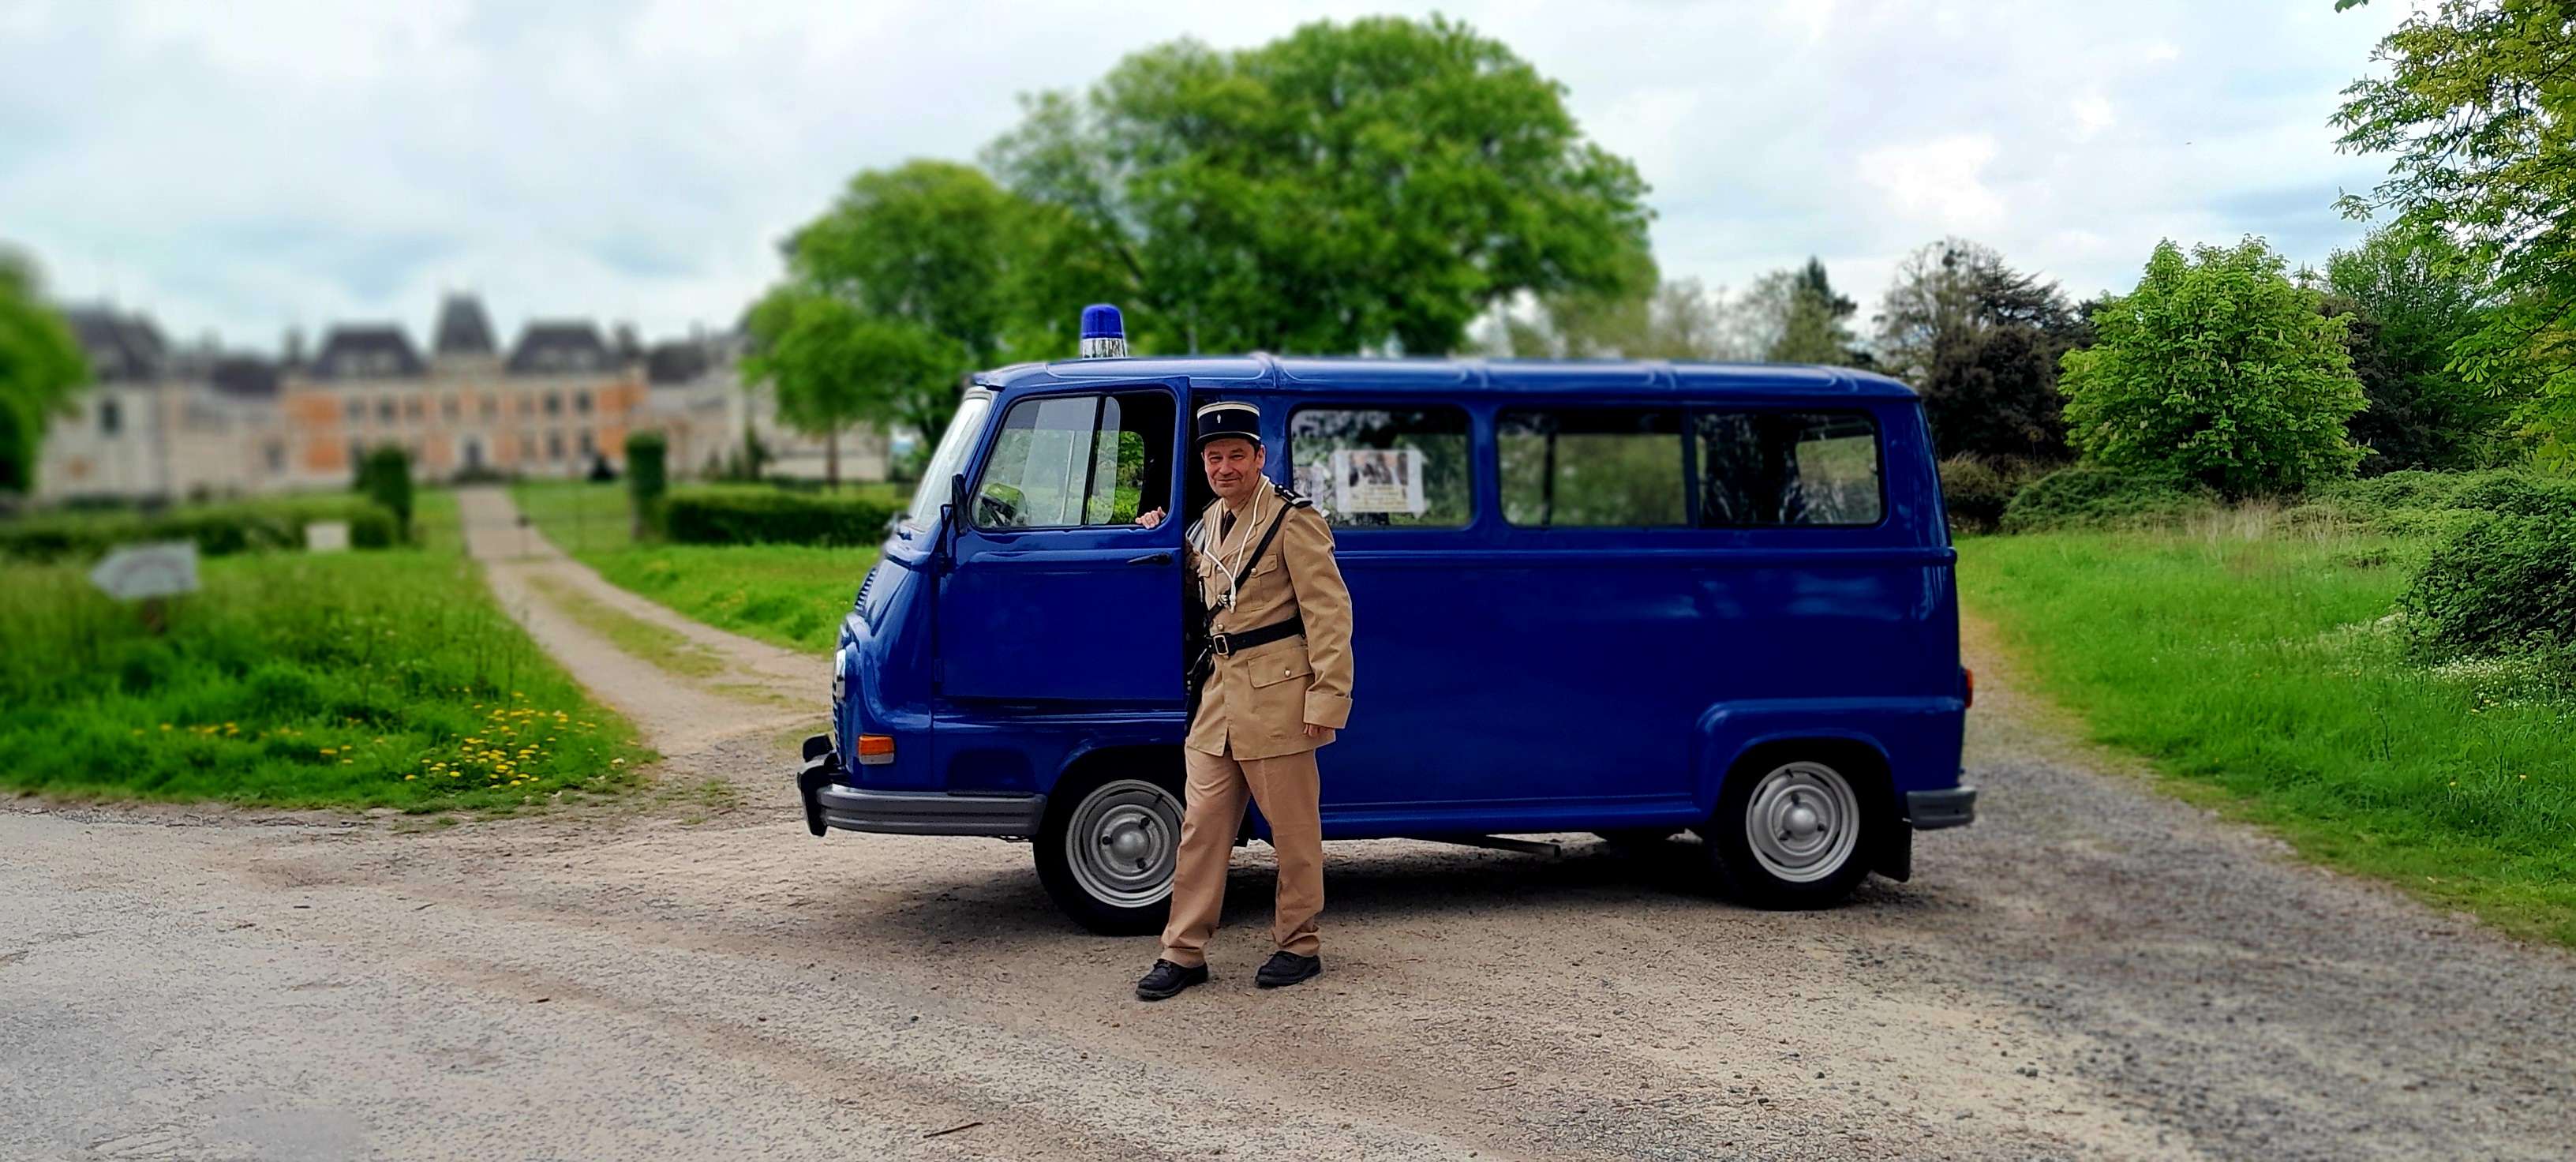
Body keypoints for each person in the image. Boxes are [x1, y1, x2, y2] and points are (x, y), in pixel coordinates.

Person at [1134, 400, 1354, 1001]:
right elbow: (1204, 589)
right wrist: (1156, 529)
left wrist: (1326, 699)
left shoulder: (1292, 520)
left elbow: (1329, 613)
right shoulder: (1206, 522)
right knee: (1201, 830)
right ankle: (1182, 952)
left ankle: (1298, 943)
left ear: (1260, 457)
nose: (1225, 466)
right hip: (1218, 700)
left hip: (1280, 697)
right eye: (1214, 457)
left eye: (1236, 455)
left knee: (1292, 832)